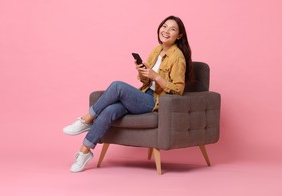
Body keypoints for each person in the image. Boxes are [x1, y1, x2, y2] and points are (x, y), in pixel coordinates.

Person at [63, 15, 192, 173]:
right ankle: (85, 152)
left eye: (172, 29)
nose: (166, 31)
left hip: (155, 102)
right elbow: (145, 81)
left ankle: (86, 119)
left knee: (117, 86)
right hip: (144, 94)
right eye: (164, 26)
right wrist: (142, 72)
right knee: (109, 111)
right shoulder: (157, 50)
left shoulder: (177, 57)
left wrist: (156, 76)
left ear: (179, 35)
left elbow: (178, 89)